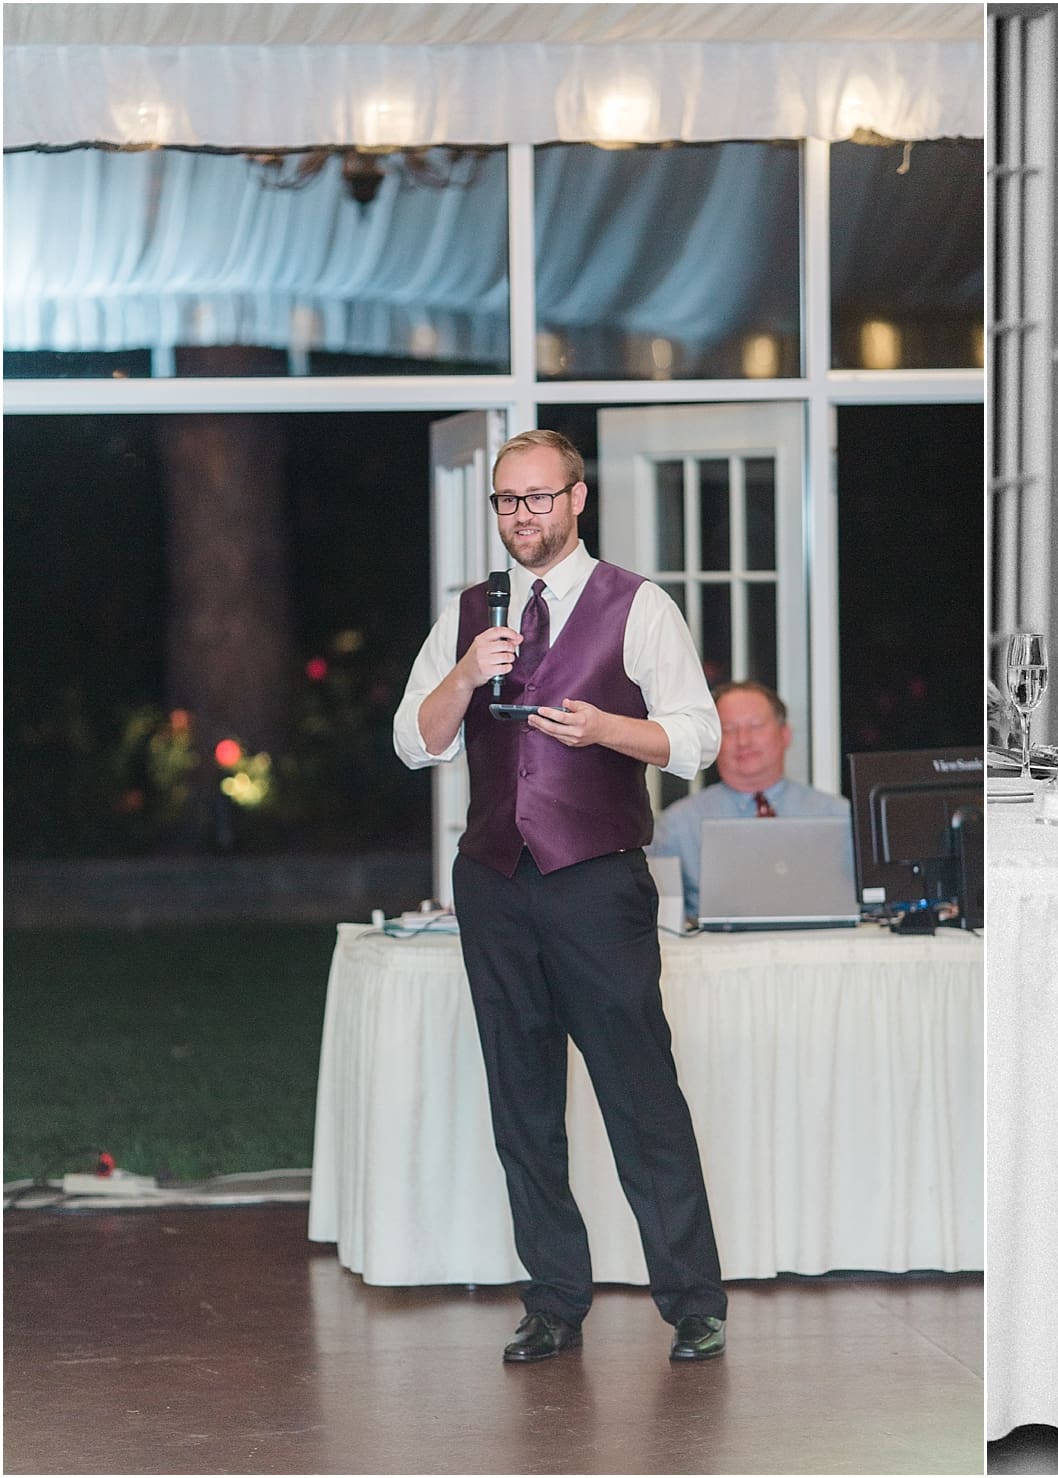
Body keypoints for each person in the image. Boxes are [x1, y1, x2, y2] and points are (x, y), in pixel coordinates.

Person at [393, 428, 731, 1366]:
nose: (522, 516)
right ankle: (552, 1300)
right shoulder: (470, 613)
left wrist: (607, 729)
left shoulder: (638, 605)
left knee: (640, 1093)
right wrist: (465, 670)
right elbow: (414, 743)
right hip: (496, 883)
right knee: (523, 1101)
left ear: (578, 500)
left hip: (595, 882)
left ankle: (693, 1300)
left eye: (539, 498)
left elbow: (697, 737)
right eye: (507, 501)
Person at [648, 680, 853, 920]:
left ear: (785, 735)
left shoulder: (839, 816)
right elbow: (660, 922)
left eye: (755, 726)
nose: (743, 740)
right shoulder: (677, 825)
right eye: (729, 729)